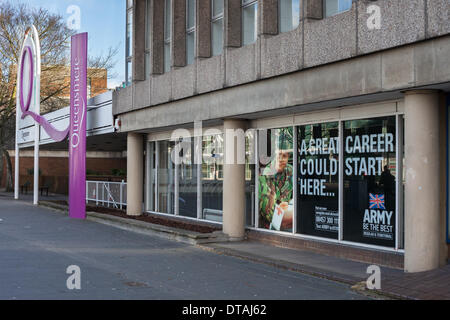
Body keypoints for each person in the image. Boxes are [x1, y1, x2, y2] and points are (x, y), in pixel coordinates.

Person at [259, 129, 293, 231]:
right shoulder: (266, 174)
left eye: (285, 156)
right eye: (279, 155)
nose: (281, 159)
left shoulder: (290, 171)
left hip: (288, 226)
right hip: (267, 229)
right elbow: (270, 214)